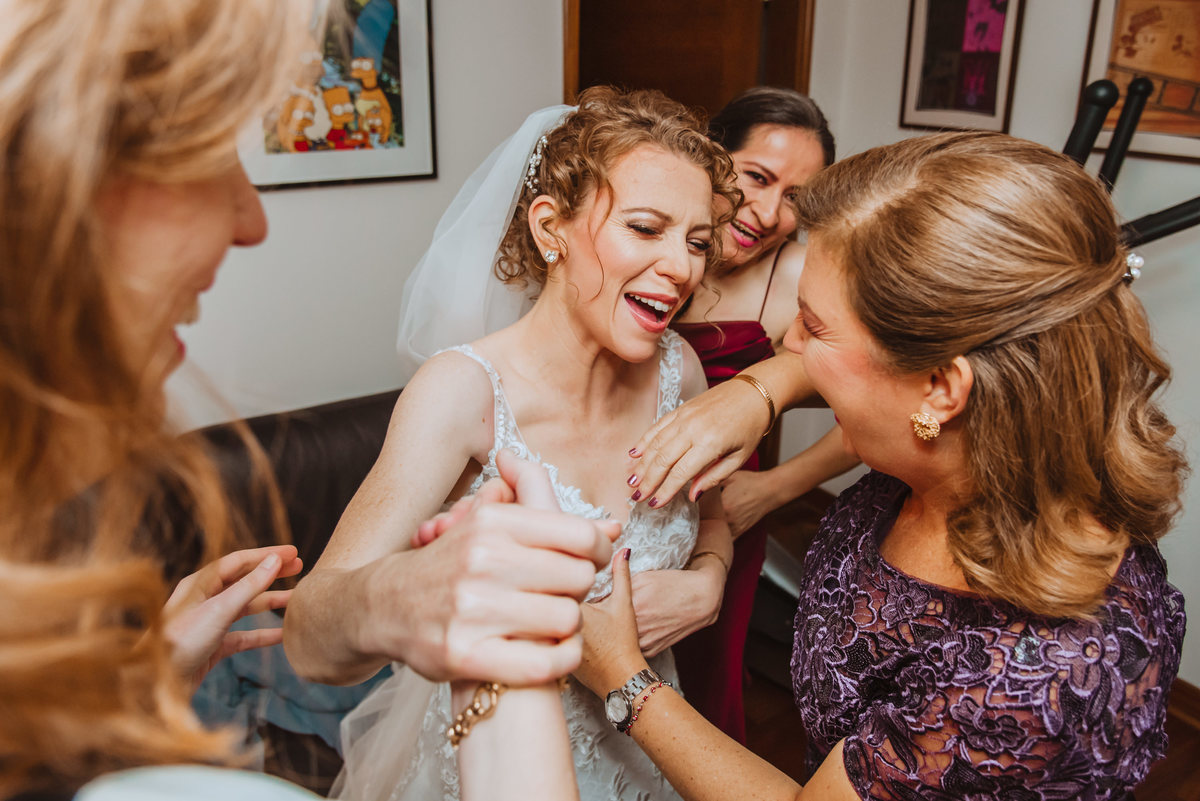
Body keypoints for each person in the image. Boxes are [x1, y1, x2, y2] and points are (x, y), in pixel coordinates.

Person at [0, 2, 610, 799]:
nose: (252, 219)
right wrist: (511, 659)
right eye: (212, 155)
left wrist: (144, 677)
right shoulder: (462, 384)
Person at [579, 131, 1188, 800]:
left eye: (814, 323)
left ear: (940, 388)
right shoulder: (978, 448)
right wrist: (760, 391)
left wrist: (623, 676)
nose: (788, 342)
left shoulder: (1027, 673)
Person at [285, 87, 740, 801]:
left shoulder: (680, 369)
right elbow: (309, 633)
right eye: (646, 228)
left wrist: (707, 580)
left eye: (697, 241)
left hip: (648, 740)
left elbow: (711, 511)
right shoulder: (462, 392)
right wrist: (406, 592)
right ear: (550, 227)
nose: (682, 268)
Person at [669, 86, 859, 742]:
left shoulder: (805, 274)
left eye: (796, 199)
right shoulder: (649, 241)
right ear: (710, 155)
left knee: (693, 700)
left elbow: (882, 411)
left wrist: (772, 489)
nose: (770, 211)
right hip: (600, 506)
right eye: (756, 177)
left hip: (719, 519)